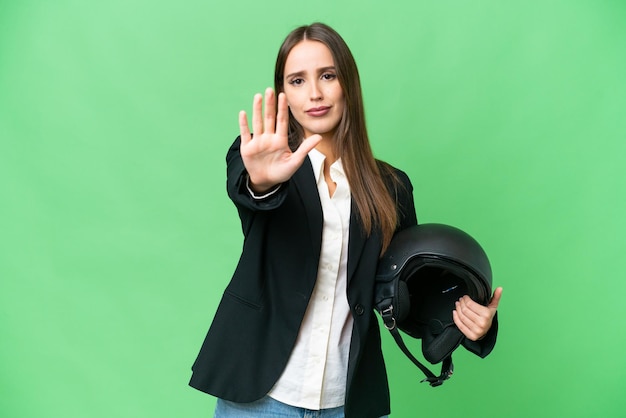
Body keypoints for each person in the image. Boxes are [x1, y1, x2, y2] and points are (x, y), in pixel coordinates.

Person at [189, 22, 502, 418]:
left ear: (347, 85)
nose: (315, 93)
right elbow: (252, 192)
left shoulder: (391, 187)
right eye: (298, 81)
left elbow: (404, 294)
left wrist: (470, 321)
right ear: (283, 94)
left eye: (327, 75)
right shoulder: (258, 158)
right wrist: (261, 182)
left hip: (347, 402)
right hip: (258, 398)